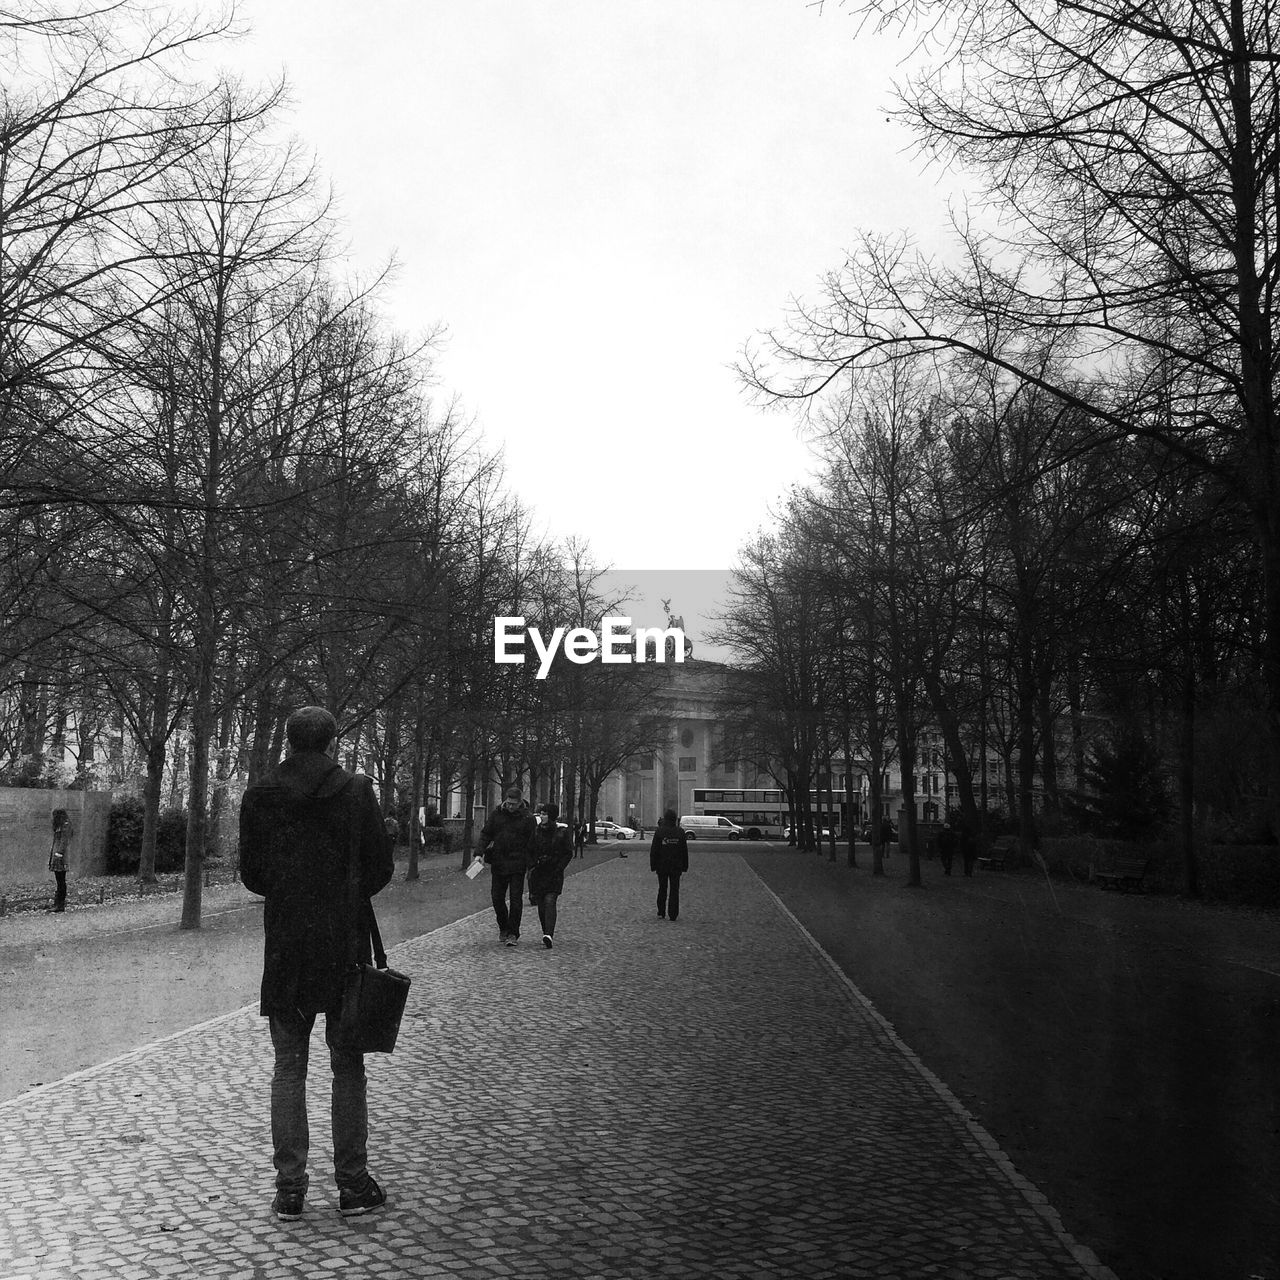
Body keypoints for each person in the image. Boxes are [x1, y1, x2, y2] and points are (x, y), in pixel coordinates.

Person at [239, 706, 394, 1223]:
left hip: (286, 944)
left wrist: (291, 890)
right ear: (331, 741)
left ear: (287, 740)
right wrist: (342, 892)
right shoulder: (355, 791)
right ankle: (353, 1186)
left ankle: (290, 1190)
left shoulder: (261, 795)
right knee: (347, 1064)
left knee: (288, 1068)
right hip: (342, 942)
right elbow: (380, 867)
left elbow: (252, 873)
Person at [476, 784, 536, 946]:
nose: (510, 806)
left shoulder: (528, 818)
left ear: (520, 802)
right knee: (497, 898)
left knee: (516, 900)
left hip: (518, 863)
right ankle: (503, 926)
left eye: (513, 804)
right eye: (508, 803)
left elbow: (533, 842)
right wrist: (478, 853)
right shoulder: (497, 814)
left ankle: (513, 933)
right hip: (499, 862)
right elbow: (486, 834)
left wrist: (531, 864)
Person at [527, 802, 574, 948]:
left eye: (545, 814)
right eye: (541, 813)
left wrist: (559, 867)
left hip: (554, 872)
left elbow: (567, 853)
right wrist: (533, 865)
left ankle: (549, 933)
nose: (541, 816)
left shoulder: (561, 832)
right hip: (540, 871)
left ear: (551, 816)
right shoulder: (536, 831)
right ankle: (545, 932)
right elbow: (530, 850)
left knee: (550, 900)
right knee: (541, 902)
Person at [649, 808, 689, 921]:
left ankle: (661, 911)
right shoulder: (680, 832)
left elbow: (654, 850)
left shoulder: (659, 831)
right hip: (676, 866)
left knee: (662, 888)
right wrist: (685, 865)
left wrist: (653, 865)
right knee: (674, 890)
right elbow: (684, 850)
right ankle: (673, 913)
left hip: (662, 865)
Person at [48, 808, 71, 913]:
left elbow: (64, 840)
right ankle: (57, 903)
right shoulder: (60, 826)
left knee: (61, 881)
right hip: (56, 854)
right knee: (59, 881)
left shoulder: (65, 825)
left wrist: (59, 853)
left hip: (60, 856)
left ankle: (60, 904)